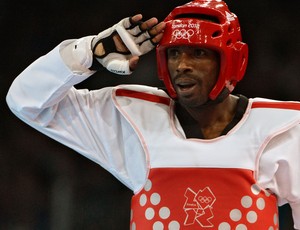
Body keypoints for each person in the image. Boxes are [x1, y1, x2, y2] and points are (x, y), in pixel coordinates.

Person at [6, 0, 300, 229]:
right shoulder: (133, 117)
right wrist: (91, 53)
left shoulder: (284, 128)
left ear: (232, 60)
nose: (182, 65)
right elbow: (25, 100)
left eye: (198, 53)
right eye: (174, 53)